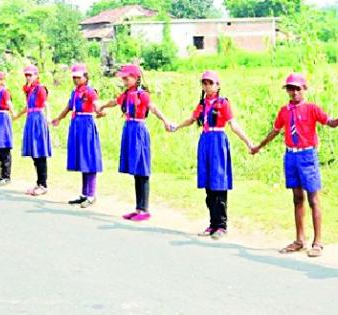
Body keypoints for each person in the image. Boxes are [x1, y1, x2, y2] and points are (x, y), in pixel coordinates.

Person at [252, 73, 338, 257]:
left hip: (307, 155)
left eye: (297, 88)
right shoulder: (284, 111)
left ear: (304, 89)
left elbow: (329, 122)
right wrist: (258, 146)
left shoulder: (312, 108)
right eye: (290, 88)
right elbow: (275, 131)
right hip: (291, 156)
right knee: (297, 198)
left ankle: (318, 242)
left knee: (313, 199)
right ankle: (300, 240)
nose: (294, 92)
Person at [172, 71, 254, 240]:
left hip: (218, 142)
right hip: (205, 142)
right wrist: (176, 127)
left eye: (211, 83)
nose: (207, 86)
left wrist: (249, 143)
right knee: (208, 184)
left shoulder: (223, 103)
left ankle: (222, 225)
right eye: (204, 83)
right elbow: (191, 119)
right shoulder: (202, 105)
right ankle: (212, 223)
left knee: (219, 182)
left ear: (218, 85)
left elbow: (233, 124)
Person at [99, 64, 172, 221]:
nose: (124, 81)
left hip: (138, 130)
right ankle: (138, 208)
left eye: (127, 78)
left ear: (136, 78)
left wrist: (165, 120)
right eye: (123, 78)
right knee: (136, 170)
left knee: (142, 169)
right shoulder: (127, 94)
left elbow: (153, 108)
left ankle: (144, 209)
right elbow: (115, 102)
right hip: (129, 130)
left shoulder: (142, 94)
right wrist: (102, 105)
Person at [52, 64, 103, 208]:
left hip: (86, 125)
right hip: (76, 125)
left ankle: (91, 195)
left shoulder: (90, 91)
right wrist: (59, 118)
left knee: (89, 159)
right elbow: (69, 107)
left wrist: (100, 111)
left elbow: (96, 104)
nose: (76, 80)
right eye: (74, 77)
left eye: (78, 77)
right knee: (82, 159)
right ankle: (84, 194)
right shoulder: (74, 92)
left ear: (85, 77)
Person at [14, 65, 52, 196]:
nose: (28, 77)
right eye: (26, 75)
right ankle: (39, 182)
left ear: (36, 75)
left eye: (30, 75)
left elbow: (46, 104)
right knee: (34, 153)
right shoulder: (30, 90)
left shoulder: (40, 89)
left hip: (38, 120)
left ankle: (43, 184)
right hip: (31, 119)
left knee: (40, 152)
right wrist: (17, 115)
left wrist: (48, 119)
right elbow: (27, 107)